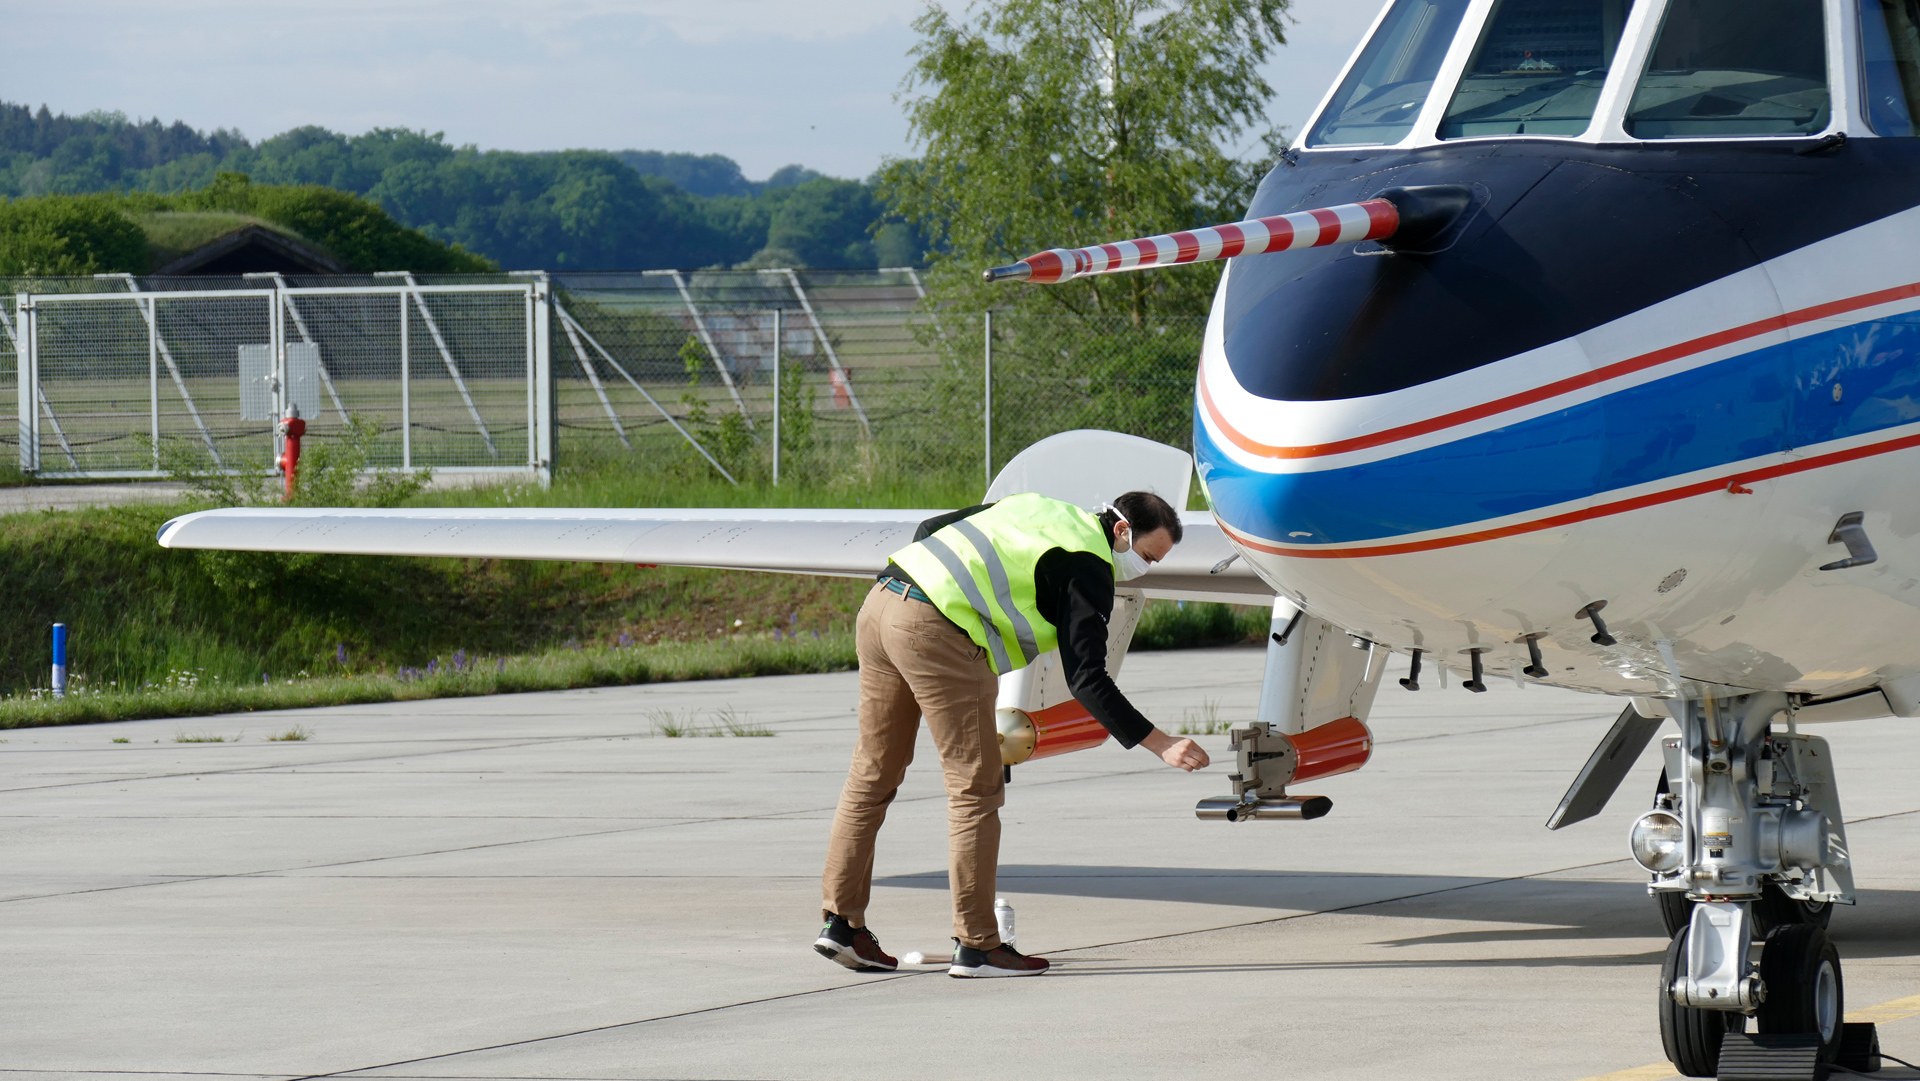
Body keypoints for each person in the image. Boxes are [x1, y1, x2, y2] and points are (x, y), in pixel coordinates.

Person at [812, 490, 1210, 979]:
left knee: (872, 773)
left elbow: (931, 529)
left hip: (882, 604)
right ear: (1123, 532)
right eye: (1148, 556)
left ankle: (841, 924)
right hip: (938, 632)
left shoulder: (1037, 507)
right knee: (974, 788)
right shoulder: (1090, 564)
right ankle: (978, 945)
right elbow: (1087, 677)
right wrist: (1160, 742)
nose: (1144, 568)